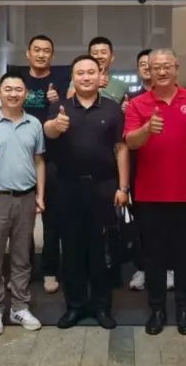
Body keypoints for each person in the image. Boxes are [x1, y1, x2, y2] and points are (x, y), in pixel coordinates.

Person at [124, 49, 186, 336]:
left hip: (185, 192)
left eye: (167, 66)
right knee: (153, 256)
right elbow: (130, 142)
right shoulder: (137, 104)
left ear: (176, 68)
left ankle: (185, 309)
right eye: (156, 68)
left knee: (184, 254)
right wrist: (147, 129)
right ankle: (157, 309)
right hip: (149, 194)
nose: (162, 72)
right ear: (148, 71)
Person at [44, 55, 130, 329]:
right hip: (67, 187)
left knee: (101, 251)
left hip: (103, 187)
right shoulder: (60, 107)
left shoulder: (112, 109)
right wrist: (55, 126)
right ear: (72, 77)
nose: (85, 77)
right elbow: (48, 131)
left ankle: (102, 307)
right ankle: (75, 306)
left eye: (91, 72)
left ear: (100, 76)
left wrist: (123, 187)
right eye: (80, 73)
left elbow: (121, 148)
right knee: (71, 250)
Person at [0, 72, 46, 336]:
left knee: (22, 257)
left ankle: (19, 306)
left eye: (18, 89)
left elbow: (39, 160)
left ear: (25, 93)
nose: (13, 93)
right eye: (8, 89)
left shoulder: (34, 123)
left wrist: (40, 194)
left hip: (25, 197)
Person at [15, 34, 69, 295]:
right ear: (28, 53)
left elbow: (67, 112)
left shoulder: (62, 80)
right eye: (36, 50)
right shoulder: (17, 81)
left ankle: (50, 270)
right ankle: (22, 270)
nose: (40, 54)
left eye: (46, 50)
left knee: (52, 219)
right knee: (21, 219)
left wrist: (56, 101)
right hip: (21, 155)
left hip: (53, 157)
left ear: (52, 55)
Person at [127, 48, 153, 292]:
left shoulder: (172, 96)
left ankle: (168, 267)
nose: (147, 67)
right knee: (141, 220)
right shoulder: (130, 99)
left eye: (150, 63)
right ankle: (142, 267)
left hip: (165, 169)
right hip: (137, 166)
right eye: (142, 63)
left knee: (167, 222)